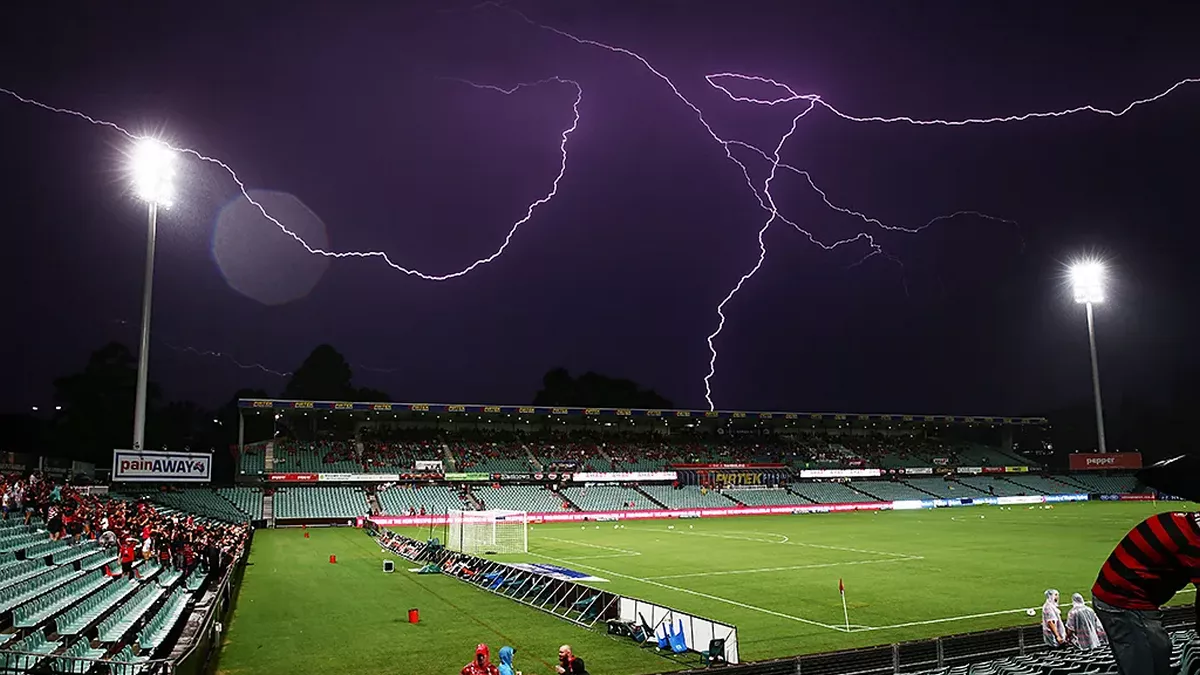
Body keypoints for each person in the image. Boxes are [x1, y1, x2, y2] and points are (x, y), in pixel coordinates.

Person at [1092, 453, 1200, 675]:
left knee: (1159, 649)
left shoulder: (1189, 523)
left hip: (1120, 590)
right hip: (1123, 600)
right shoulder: (1195, 542)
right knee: (1149, 663)